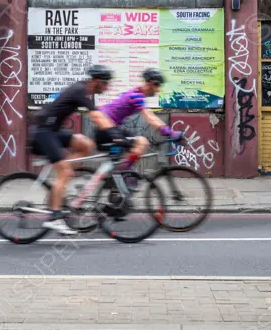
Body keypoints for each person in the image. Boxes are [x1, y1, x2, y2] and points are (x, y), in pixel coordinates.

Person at [30, 64, 121, 235]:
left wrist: (111, 130)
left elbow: (98, 115)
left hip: (53, 131)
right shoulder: (80, 90)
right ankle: (55, 218)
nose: (107, 87)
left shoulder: (85, 91)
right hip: (43, 132)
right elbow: (96, 116)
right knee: (64, 173)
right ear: (96, 81)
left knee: (86, 145)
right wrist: (115, 135)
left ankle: (61, 182)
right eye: (106, 83)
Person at [99, 68, 181, 179]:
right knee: (142, 143)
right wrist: (168, 132)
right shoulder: (136, 96)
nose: (158, 90)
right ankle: (120, 177)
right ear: (151, 84)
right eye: (158, 86)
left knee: (133, 149)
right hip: (107, 128)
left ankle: (119, 177)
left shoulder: (135, 94)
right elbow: (150, 117)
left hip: (109, 127)